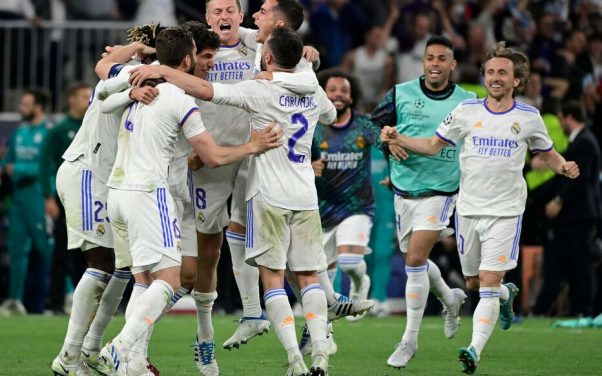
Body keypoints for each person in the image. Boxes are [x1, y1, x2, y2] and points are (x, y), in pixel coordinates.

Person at [130, 26, 336, 375]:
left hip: (268, 192)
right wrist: (307, 69)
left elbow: (210, 92)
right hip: (304, 193)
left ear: (268, 57)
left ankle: (295, 359)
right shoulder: (314, 91)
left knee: (272, 277)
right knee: (309, 277)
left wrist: (164, 70)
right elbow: (331, 115)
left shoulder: (259, 90)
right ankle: (320, 355)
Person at [382, 41, 580, 374]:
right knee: (474, 283)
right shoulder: (466, 111)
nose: (495, 77)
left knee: (487, 281)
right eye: (490, 72)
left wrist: (563, 167)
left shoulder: (528, 117)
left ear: (517, 79)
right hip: (469, 209)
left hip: (506, 212)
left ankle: (474, 349)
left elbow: (546, 152)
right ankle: (505, 295)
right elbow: (432, 145)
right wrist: (399, 139)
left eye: (503, 72)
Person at [97, 26, 282, 376]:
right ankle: (119, 346)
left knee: (146, 281)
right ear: (187, 59)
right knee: (170, 279)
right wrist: (253, 146)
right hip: (153, 193)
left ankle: (133, 363)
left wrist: (130, 91)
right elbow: (211, 157)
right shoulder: (178, 97)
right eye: (201, 54)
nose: (205, 61)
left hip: (120, 191)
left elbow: (104, 89)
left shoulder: (139, 84)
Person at [50, 26, 162, 375]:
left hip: (107, 180)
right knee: (100, 266)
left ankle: (92, 347)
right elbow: (106, 71)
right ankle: (70, 357)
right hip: (87, 172)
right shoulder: (129, 73)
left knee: (122, 267)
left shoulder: (149, 77)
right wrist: (133, 51)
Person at [371, 35, 475, 369]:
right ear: (423, 61)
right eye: (430, 57)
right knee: (414, 258)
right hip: (405, 189)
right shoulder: (401, 93)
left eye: (442, 58)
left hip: (442, 190)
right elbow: (372, 127)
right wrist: (386, 143)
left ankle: (409, 340)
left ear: (452, 64)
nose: (434, 64)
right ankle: (450, 297)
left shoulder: (467, 101)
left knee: (415, 258)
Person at [534, 101, 601, 317]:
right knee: (562, 264)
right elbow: (560, 178)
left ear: (569, 117)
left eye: (561, 118)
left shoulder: (585, 143)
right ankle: (544, 310)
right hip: (570, 218)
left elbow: (577, 180)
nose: (560, 123)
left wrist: (559, 200)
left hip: (579, 216)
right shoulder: (580, 142)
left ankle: (584, 310)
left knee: (581, 265)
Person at [0, 88, 51, 316]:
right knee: (16, 250)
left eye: (26, 104)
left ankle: (68, 294)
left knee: (47, 248)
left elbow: (49, 166)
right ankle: (14, 300)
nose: (22, 108)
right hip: (18, 199)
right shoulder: (19, 132)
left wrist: (17, 168)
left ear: (38, 107)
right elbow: (6, 162)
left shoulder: (48, 132)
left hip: (39, 196)